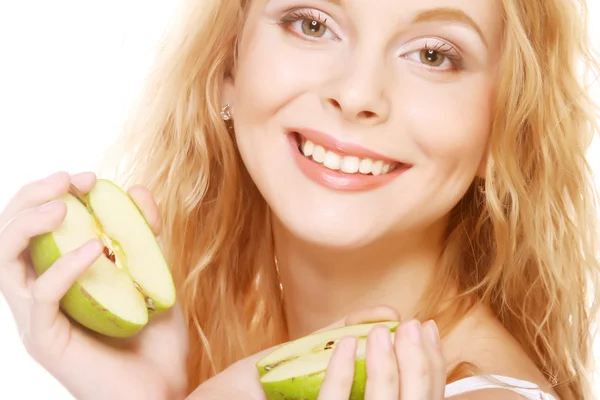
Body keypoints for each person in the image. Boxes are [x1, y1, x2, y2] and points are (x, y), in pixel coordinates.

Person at [1, 0, 599, 398]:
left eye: (433, 54)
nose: (358, 92)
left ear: (502, 130)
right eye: (313, 23)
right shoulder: (238, 359)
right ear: (227, 65)